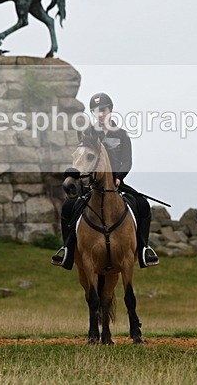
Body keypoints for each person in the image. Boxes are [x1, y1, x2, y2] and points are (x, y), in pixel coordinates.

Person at [52, 92, 159, 269]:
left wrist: (118, 178)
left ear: (110, 110)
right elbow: (81, 157)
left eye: (103, 110)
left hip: (116, 184)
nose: (100, 114)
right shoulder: (89, 135)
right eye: (95, 111)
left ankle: (143, 250)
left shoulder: (121, 135)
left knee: (142, 205)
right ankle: (67, 250)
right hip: (90, 186)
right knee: (68, 207)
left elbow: (127, 161)